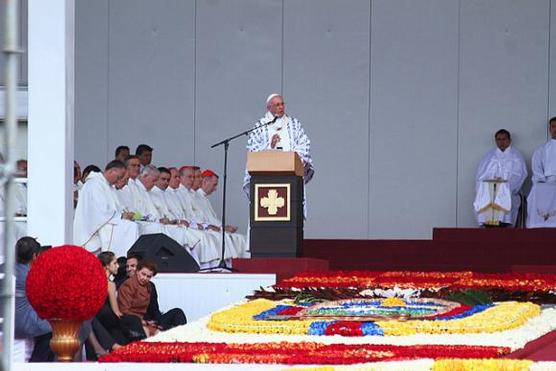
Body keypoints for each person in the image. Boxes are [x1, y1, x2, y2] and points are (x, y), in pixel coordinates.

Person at [244, 93, 314, 216]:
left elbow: (304, 144)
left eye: (282, 104)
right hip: (265, 178)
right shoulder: (261, 126)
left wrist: (294, 157)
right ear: (269, 108)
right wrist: (269, 145)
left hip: (290, 176)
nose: (281, 107)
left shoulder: (294, 124)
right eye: (277, 105)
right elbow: (252, 149)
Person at [73, 160, 139, 256]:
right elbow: (99, 212)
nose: (118, 180)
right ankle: (116, 260)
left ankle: (124, 260)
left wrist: (124, 214)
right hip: (93, 230)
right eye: (118, 177)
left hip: (104, 222)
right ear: (112, 171)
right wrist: (121, 216)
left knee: (132, 226)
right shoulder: (94, 184)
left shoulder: (108, 186)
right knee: (130, 227)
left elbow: (114, 208)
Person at [473, 129, 527, 227]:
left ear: (509, 141)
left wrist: (505, 185)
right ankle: (488, 223)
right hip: (490, 188)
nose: (501, 142)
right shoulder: (489, 156)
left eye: (504, 139)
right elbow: (480, 176)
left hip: (509, 189)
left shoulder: (516, 156)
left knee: (502, 193)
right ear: (495, 141)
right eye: (498, 139)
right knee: (485, 194)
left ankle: (503, 223)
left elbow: (520, 175)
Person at [119, 256, 186, 332]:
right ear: (138, 271)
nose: (145, 278)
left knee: (177, 312)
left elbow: (155, 309)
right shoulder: (127, 284)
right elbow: (124, 310)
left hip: (152, 319)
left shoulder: (150, 286)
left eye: (148, 276)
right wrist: (146, 322)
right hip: (138, 320)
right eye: (143, 274)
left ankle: (183, 340)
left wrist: (159, 322)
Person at [14, 237, 54, 362]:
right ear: (35, 256)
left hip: (5, 320)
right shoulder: (32, 275)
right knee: (53, 328)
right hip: (21, 324)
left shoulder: (3, 268)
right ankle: (37, 364)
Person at [527, 117, 556, 227]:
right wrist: (542, 181)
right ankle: (539, 223)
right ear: (550, 129)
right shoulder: (542, 149)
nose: (555, 129)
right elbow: (536, 167)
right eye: (553, 126)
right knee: (537, 190)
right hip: (547, 181)